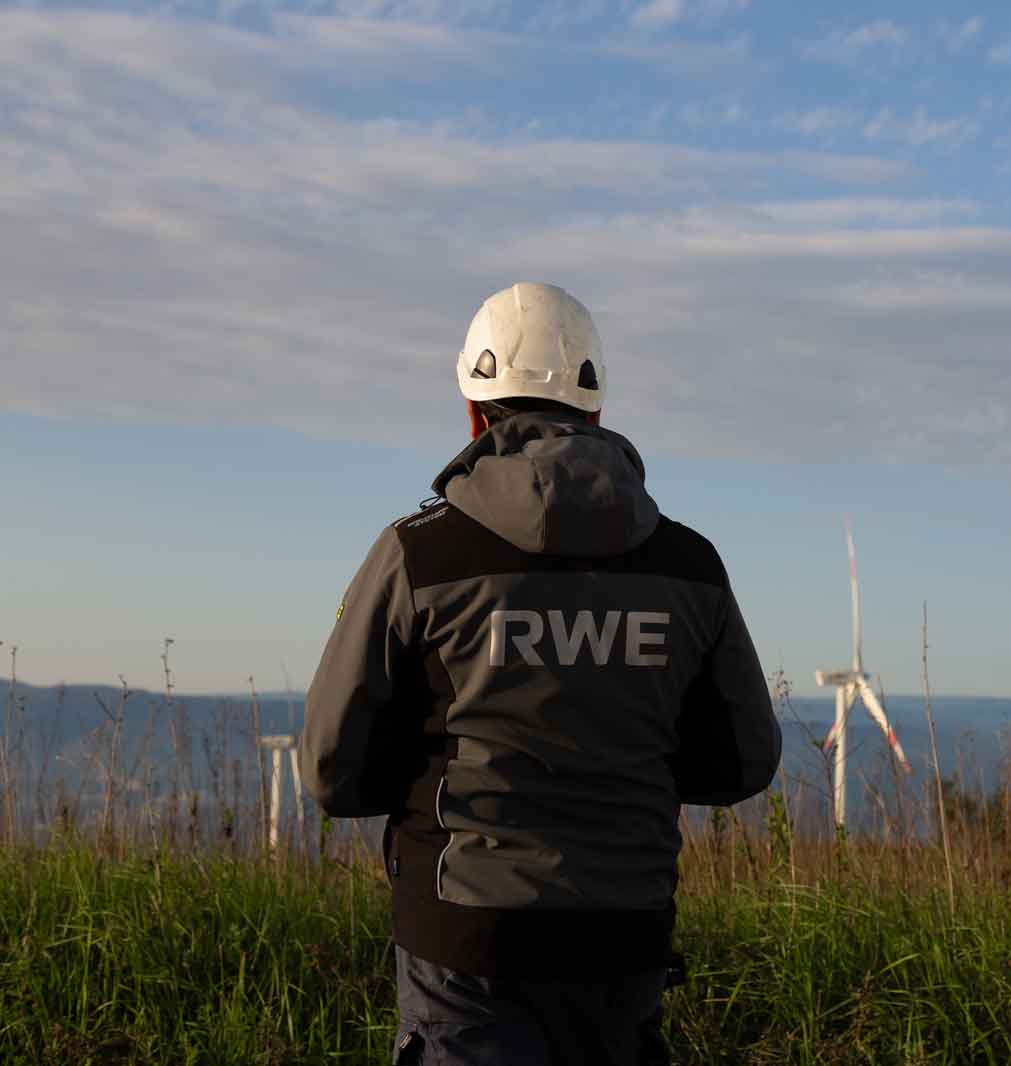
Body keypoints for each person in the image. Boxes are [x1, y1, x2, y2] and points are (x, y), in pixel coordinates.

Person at [300, 282, 782, 1065]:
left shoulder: (418, 556)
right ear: (595, 412)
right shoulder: (691, 566)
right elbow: (745, 760)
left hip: (465, 945)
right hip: (625, 944)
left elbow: (331, 772)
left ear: (471, 411)